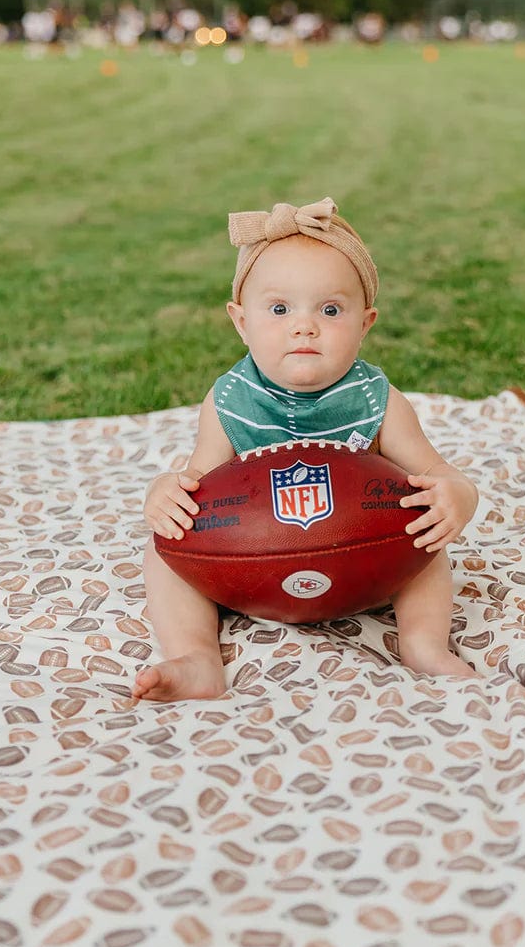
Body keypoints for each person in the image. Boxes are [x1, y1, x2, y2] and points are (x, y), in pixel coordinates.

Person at [134, 197, 480, 702]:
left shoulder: (377, 401)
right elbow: (197, 485)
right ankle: (197, 657)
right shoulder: (230, 400)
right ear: (240, 321)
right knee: (168, 544)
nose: (304, 326)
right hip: (252, 575)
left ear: (366, 323)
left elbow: (438, 472)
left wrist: (457, 496)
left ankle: (423, 644)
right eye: (279, 309)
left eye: (331, 309)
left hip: (367, 570)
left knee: (426, 530)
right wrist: (164, 492)